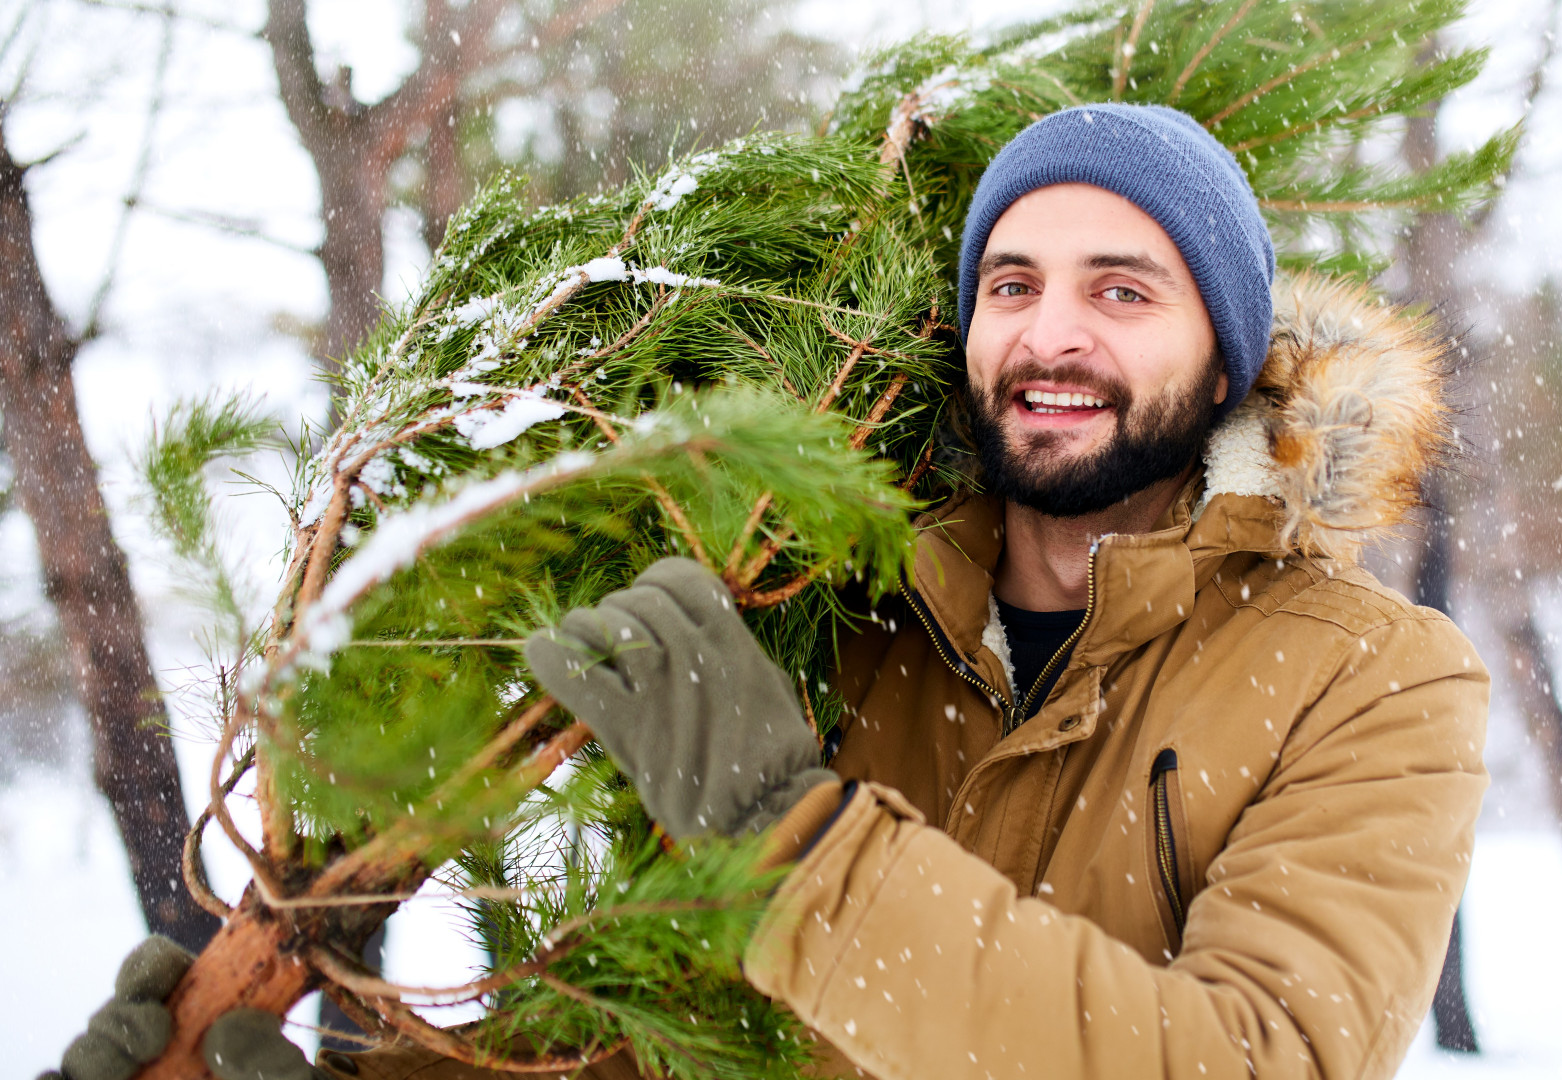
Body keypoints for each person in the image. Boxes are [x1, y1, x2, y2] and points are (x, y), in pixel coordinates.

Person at [46, 103, 1487, 1080]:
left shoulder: (1375, 677)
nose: (1051, 336)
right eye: (1011, 283)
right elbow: (663, 1044)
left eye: (1122, 291)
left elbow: (1252, 1059)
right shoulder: (835, 619)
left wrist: (792, 848)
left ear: (1230, 359)